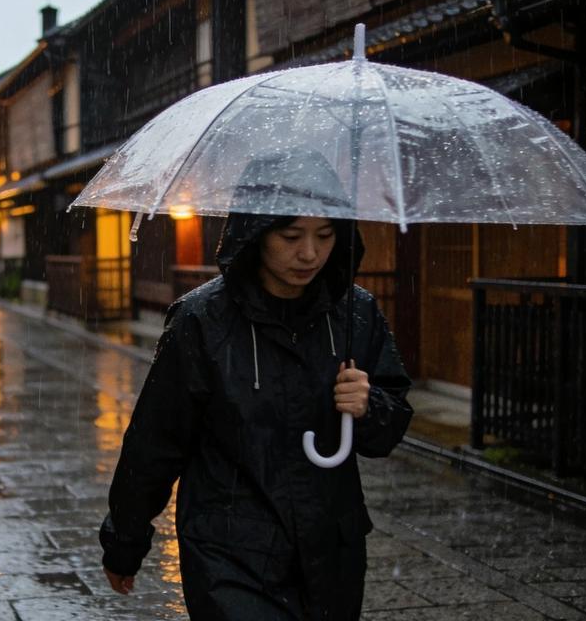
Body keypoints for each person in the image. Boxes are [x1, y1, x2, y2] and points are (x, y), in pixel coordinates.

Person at [99, 212, 413, 620]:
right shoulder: (202, 320)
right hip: (230, 550)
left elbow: (390, 424)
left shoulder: (355, 312)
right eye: (291, 236)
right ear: (256, 234)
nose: (310, 253)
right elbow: (156, 441)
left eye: (325, 235)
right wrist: (125, 541)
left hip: (330, 548)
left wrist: (369, 405)